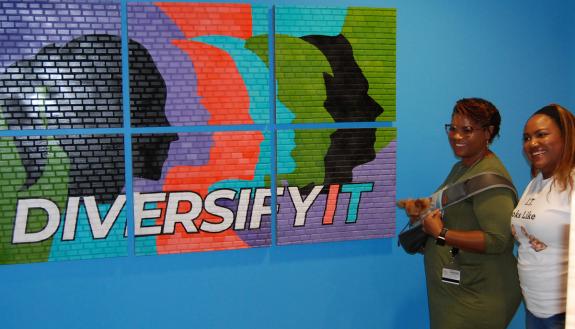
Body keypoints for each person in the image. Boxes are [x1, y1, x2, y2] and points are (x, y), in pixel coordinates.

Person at [401, 98, 521, 328]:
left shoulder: (490, 179)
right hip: (455, 290)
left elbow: (498, 240)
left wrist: (442, 233)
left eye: (467, 130)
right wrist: (422, 213)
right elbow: (455, 213)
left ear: (488, 132)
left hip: (477, 295)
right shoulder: (462, 167)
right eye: (453, 128)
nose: (456, 136)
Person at [511, 104, 575, 329]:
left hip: (563, 313)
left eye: (541, 135)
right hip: (534, 308)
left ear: (566, 137)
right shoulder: (536, 183)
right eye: (527, 138)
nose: (532, 144)